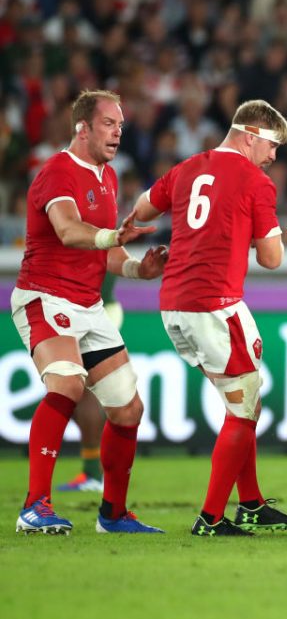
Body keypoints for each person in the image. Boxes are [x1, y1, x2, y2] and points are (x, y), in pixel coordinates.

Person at [128, 99, 287, 536]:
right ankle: (211, 517)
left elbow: (142, 211)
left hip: (172, 304)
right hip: (215, 304)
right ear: (250, 135)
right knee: (242, 408)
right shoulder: (255, 181)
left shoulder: (186, 168)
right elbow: (273, 258)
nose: (274, 156)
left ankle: (253, 503)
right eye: (272, 145)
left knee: (244, 400)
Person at [13, 89, 166, 534]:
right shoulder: (57, 172)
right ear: (82, 128)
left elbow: (105, 252)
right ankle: (34, 506)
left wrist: (140, 268)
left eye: (121, 124)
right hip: (46, 297)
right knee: (66, 385)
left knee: (128, 409)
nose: (118, 131)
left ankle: (113, 515)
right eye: (108, 123)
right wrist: (111, 239)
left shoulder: (107, 176)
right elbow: (67, 230)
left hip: (88, 304)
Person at [57, 274, 119, 493]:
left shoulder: (87, 239)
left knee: (84, 390)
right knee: (70, 390)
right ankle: (94, 470)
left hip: (91, 310)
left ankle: (94, 473)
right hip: (81, 309)